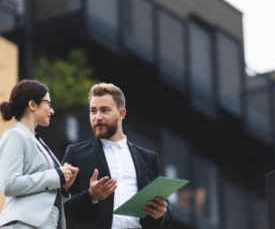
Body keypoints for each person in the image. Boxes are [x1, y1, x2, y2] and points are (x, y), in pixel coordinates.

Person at [62, 83, 172, 229]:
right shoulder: (76, 153)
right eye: (93, 111)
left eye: (105, 110)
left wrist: (162, 212)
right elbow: (61, 205)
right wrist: (90, 196)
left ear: (121, 114)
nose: (97, 117)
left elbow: (164, 204)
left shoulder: (147, 158)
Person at [0, 80, 79, 229]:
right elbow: (8, 184)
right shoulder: (14, 135)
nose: (52, 110)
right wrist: (56, 175)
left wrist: (63, 187)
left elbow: (45, 196)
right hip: (23, 225)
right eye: (49, 104)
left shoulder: (37, 141)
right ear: (32, 104)